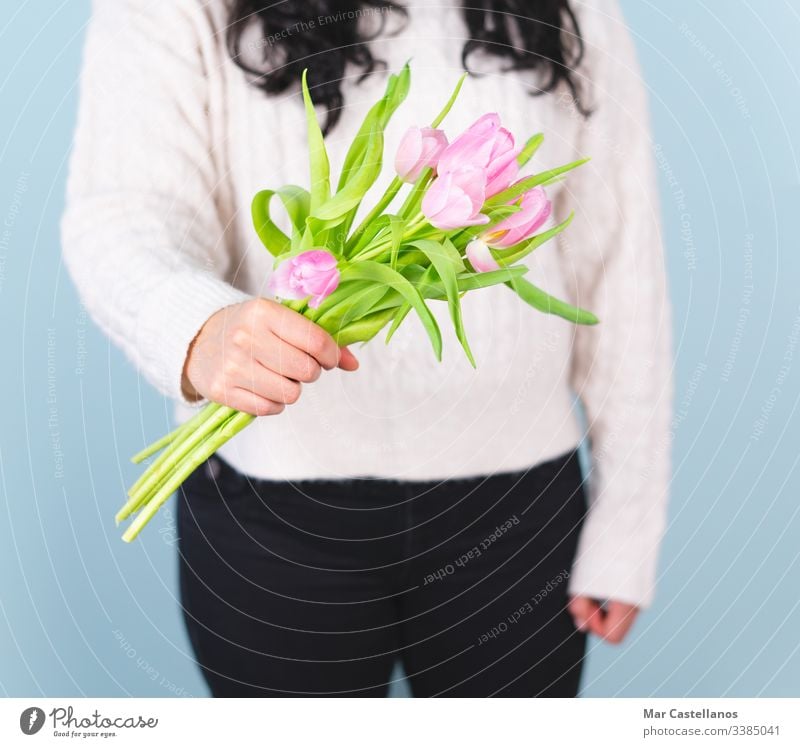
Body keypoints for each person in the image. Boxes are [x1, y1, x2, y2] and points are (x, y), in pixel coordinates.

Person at [61, 0, 673, 697]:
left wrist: (629, 521)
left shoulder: (576, 12)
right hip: (267, 512)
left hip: (520, 518)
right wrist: (199, 328)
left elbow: (623, 277)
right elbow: (125, 211)